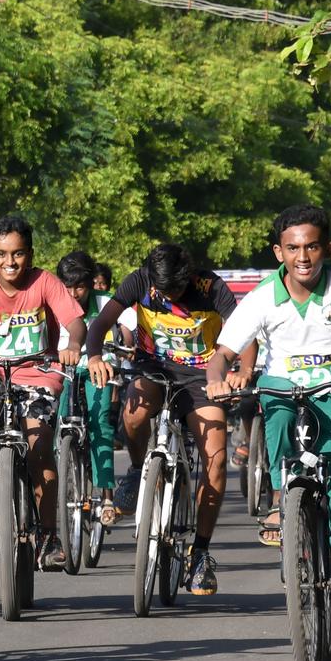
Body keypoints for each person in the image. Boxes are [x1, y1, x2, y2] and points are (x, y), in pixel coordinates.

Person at [205, 204, 331, 653]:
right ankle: (282, 502)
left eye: (312, 246)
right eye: (292, 248)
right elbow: (224, 352)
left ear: (327, 248)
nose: (303, 256)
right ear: (279, 252)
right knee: (275, 423)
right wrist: (218, 378)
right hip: (281, 390)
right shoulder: (262, 296)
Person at [86, 243, 251, 596]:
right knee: (133, 415)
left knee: (216, 460)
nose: (168, 296)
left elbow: (244, 332)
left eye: (175, 289)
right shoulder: (139, 280)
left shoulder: (211, 287)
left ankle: (201, 553)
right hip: (153, 368)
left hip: (202, 377)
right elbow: (101, 322)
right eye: (161, 290)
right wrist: (94, 356)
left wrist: (243, 371)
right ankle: (136, 471)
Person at [0, 216, 85, 570]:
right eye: (1, 254)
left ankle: (48, 535)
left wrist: (73, 345)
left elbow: (75, 322)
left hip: (39, 372)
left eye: (18, 254)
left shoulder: (45, 282)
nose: (9, 262)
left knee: (40, 447)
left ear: (30, 254)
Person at [55, 251, 119, 525]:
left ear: (91, 283)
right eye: (67, 287)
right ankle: (55, 483)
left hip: (98, 369)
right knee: (52, 420)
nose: (73, 294)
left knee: (100, 422)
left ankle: (106, 496)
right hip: (63, 370)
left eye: (79, 287)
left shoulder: (107, 302)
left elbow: (131, 328)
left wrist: (126, 346)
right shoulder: (53, 301)